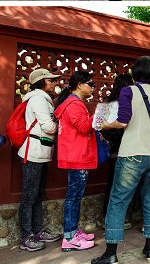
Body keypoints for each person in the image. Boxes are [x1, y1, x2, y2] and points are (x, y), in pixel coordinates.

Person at [92, 56, 150, 264]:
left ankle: (111, 253)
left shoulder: (128, 91)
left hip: (131, 154)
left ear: (135, 73)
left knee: (118, 201)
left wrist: (104, 125)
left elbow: (122, 121)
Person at [54, 70, 98, 252]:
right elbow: (84, 127)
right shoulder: (74, 104)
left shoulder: (73, 103)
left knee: (75, 196)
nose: (93, 88)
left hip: (75, 155)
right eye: (91, 84)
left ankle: (73, 232)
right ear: (80, 84)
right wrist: (98, 115)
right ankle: (70, 237)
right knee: (73, 197)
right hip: (77, 156)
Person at [18, 68, 60, 252]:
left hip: (41, 152)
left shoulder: (44, 99)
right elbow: (49, 127)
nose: (54, 83)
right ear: (41, 82)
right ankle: (26, 237)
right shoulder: (37, 99)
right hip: (33, 152)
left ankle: (37, 231)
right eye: (50, 80)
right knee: (29, 196)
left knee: (37, 195)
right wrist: (63, 125)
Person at [100, 73, 134, 218]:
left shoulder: (106, 102)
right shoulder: (126, 103)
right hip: (124, 147)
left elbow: (97, 124)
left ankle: (107, 215)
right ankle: (115, 216)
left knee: (113, 183)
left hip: (109, 147)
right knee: (122, 185)